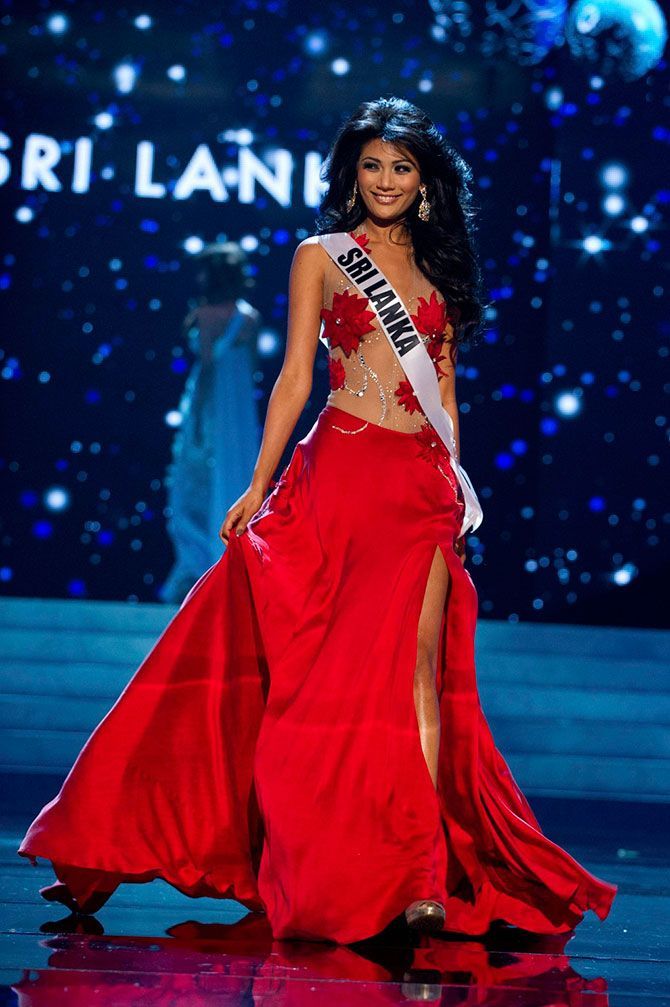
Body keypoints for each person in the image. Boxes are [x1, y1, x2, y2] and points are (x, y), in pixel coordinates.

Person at [18, 96, 617, 945]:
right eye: (371, 166)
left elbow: (445, 391)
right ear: (352, 175)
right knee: (282, 666)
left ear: (426, 182)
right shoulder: (321, 257)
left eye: (401, 168)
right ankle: (111, 843)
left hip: (419, 491)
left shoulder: (442, 274)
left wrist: (455, 476)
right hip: (337, 477)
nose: (384, 181)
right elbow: (296, 378)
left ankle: (417, 879)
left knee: (417, 669)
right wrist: (258, 484)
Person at [159, 242, 262, 604]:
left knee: (193, 481)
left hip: (213, 405)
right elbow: (250, 369)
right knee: (233, 476)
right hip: (239, 414)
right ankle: (224, 565)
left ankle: (198, 567)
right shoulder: (250, 317)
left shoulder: (204, 315)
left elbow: (206, 369)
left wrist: (200, 416)